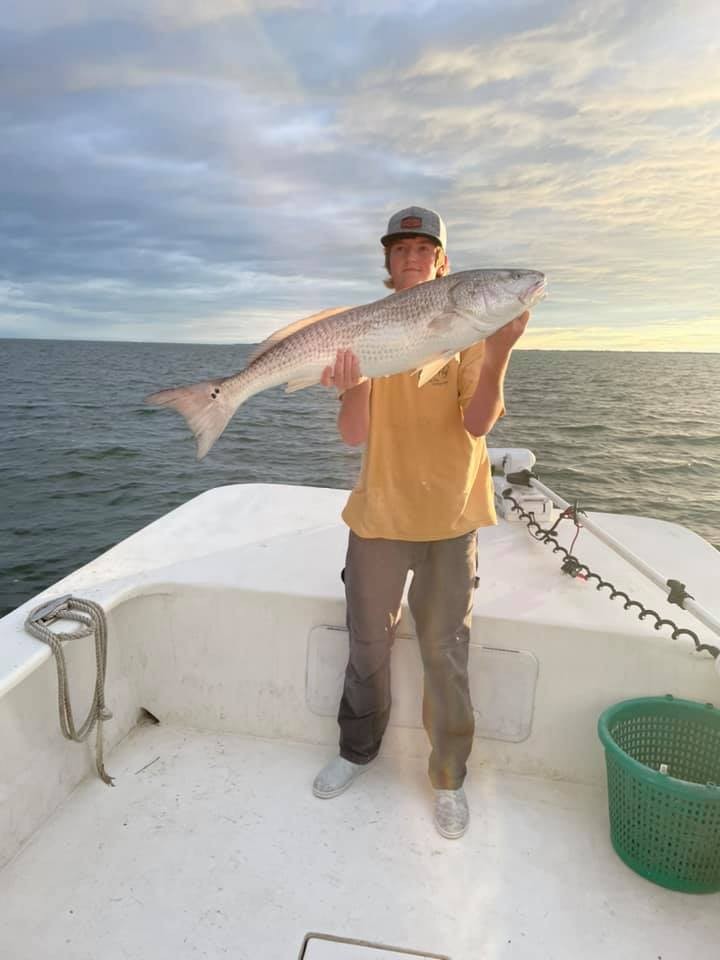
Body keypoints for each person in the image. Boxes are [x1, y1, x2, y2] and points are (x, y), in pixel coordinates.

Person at [313, 206, 530, 838]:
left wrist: (499, 351)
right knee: (367, 646)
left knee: (445, 654)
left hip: (451, 518)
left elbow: (478, 423)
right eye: (400, 248)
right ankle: (357, 752)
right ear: (388, 263)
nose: (411, 256)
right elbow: (353, 434)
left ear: (443, 262)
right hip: (378, 516)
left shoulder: (467, 331)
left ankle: (449, 778)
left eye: (423, 248)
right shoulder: (367, 328)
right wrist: (353, 382)